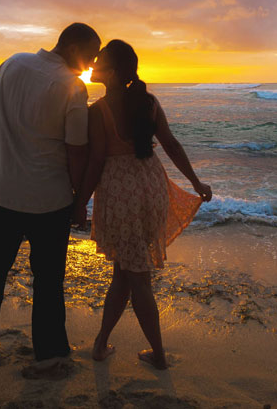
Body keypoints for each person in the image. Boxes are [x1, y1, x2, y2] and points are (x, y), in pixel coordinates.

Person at [0, 23, 101, 367]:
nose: (91, 64)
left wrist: (1, 164)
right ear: (72, 47)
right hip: (48, 201)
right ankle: (49, 350)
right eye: (90, 55)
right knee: (49, 279)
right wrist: (80, 202)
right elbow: (77, 152)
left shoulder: (11, 64)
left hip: (0, 192)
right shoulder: (72, 87)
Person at [73, 39, 212, 370]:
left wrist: (80, 203)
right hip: (151, 188)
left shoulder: (99, 111)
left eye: (100, 63)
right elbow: (171, 145)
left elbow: (95, 162)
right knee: (124, 272)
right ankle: (100, 343)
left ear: (114, 72)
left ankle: (159, 356)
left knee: (137, 279)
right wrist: (195, 181)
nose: (93, 68)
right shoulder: (148, 102)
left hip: (121, 195)